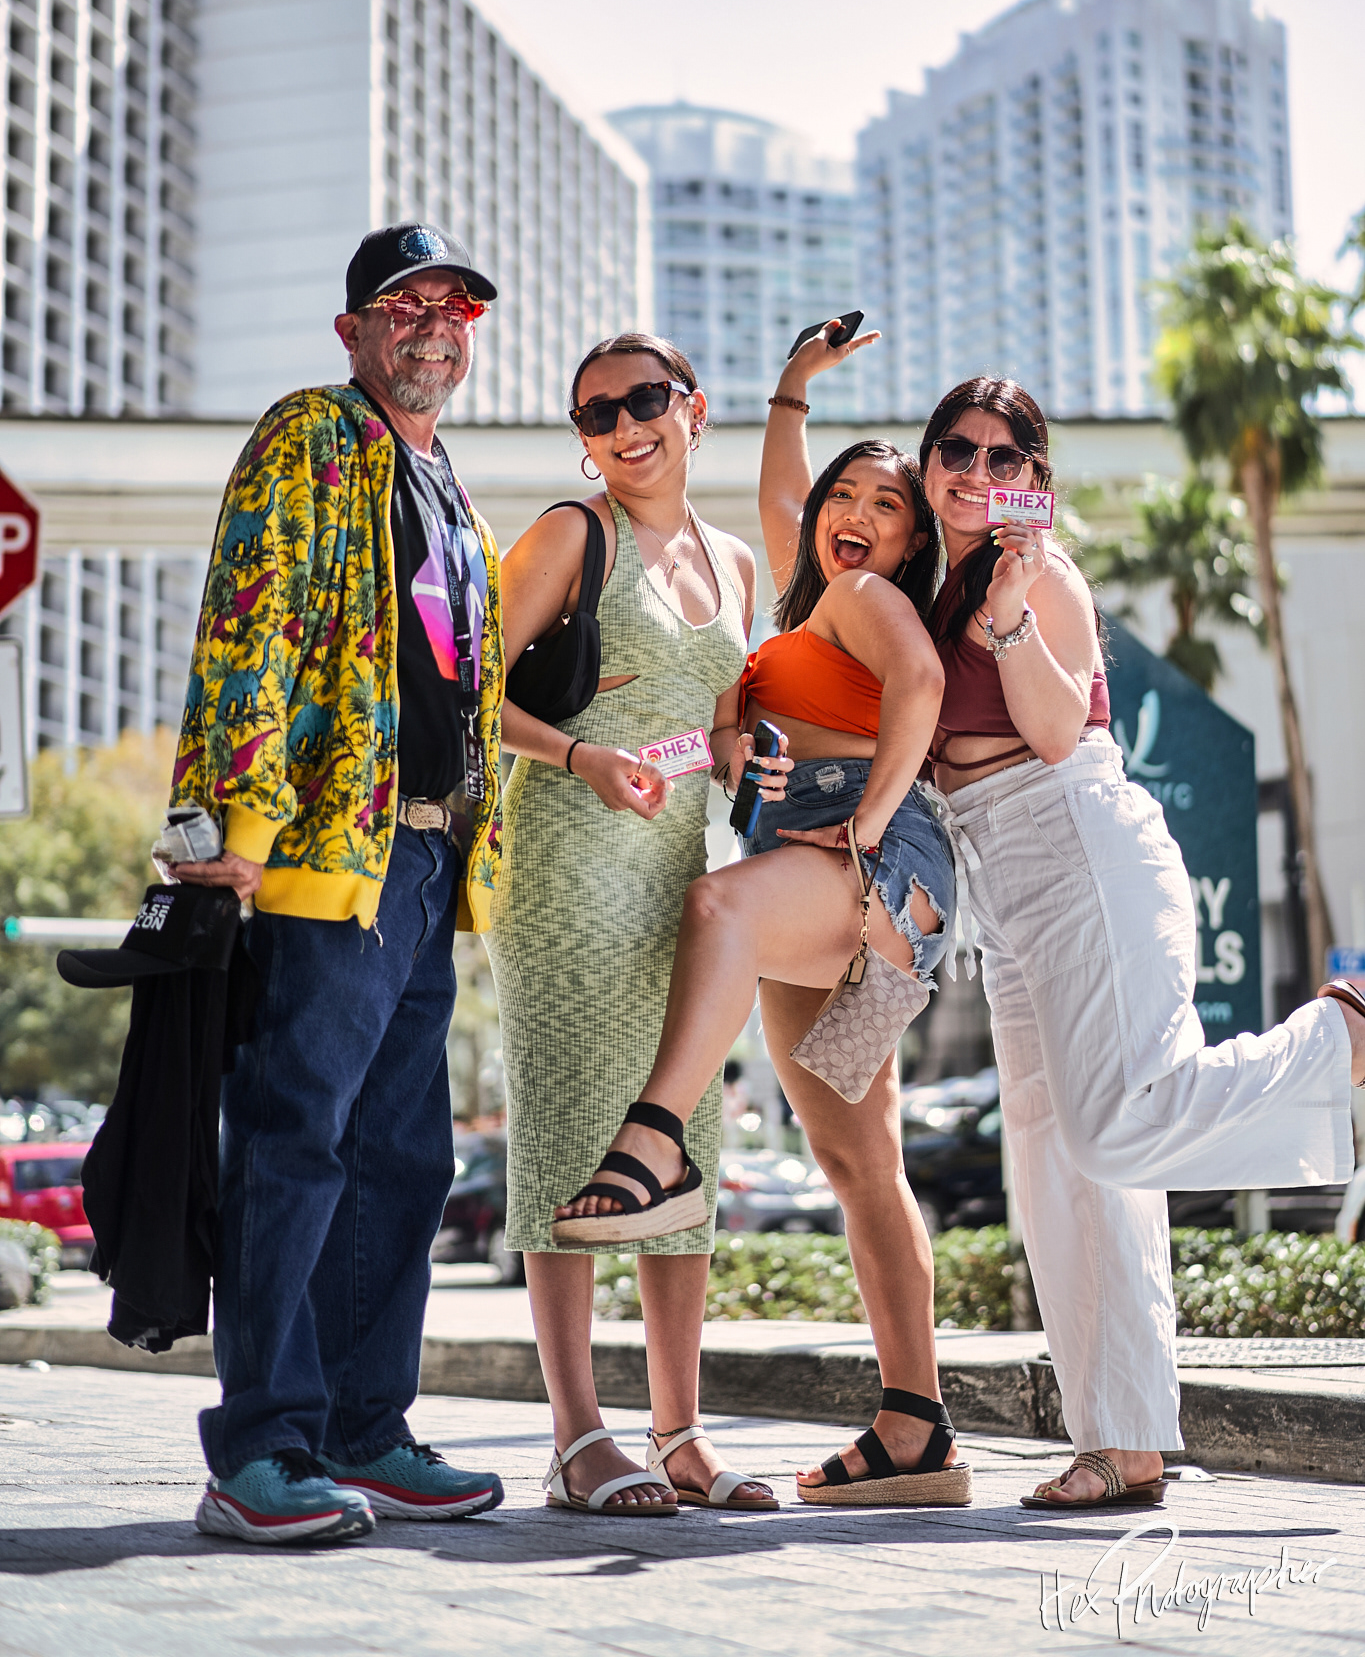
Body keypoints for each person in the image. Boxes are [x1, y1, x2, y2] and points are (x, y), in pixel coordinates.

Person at [764, 339, 1363, 1509]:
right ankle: (1121, 1438)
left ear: (1034, 475)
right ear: (929, 463)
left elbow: (1053, 732)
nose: (977, 469)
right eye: (956, 449)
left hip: (1080, 847)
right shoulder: (913, 580)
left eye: (1006, 456)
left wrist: (1007, 621)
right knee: (1058, 1172)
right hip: (1002, 890)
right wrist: (794, 390)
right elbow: (800, 508)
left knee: (1115, 1128)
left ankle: (1339, 1035)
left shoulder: (1042, 579)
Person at [552, 396, 970, 1508]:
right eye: (843, 495)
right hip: (815, 870)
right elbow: (784, 490)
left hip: (870, 851)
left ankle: (655, 1141)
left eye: (887, 505)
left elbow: (923, 687)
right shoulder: (809, 602)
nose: (853, 514)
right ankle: (915, 1428)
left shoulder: (866, 596)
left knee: (717, 911)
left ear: (912, 540)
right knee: (858, 1163)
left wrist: (867, 823)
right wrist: (794, 385)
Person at [167, 222, 507, 1544]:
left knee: (403, 1159)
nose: (432, 328)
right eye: (405, 308)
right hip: (321, 852)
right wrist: (229, 826)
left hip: (422, 858)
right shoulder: (311, 434)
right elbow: (250, 621)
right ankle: (262, 1447)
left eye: (452, 311)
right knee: (294, 1142)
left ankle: (367, 1431)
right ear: (353, 330)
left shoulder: (446, 481)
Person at [487, 332, 787, 1516]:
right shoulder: (574, 533)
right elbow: (469, 688)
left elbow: (721, 725)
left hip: (677, 875)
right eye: (597, 411)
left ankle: (681, 1432)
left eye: (644, 399)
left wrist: (744, 755)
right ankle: (576, 1435)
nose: (623, 425)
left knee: (682, 1132)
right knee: (569, 1129)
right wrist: (580, 755)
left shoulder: (736, 561)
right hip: (564, 861)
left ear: (691, 409)